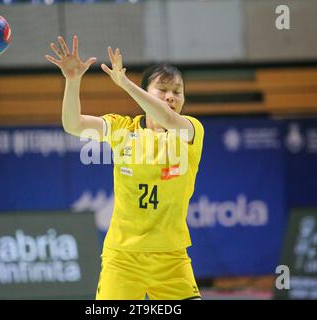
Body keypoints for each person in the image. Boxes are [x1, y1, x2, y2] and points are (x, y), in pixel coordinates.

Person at [46, 35, 204, 300]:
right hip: (123, 259)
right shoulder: (123, 128)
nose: (170, 96)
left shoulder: (190, 131)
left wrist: (126, 84)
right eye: (162, 89)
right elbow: (73, 125)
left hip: (171, 260)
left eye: (177, 91)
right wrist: (72, 82)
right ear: (146, 94)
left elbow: (166, 117)